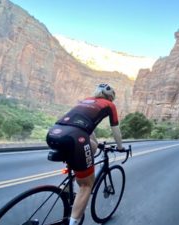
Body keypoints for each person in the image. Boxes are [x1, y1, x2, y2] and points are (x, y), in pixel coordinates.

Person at [46, 83, 124, 225]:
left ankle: (68, 188)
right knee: (87, 185)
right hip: (75, 138)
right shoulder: (109, 105)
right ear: (111, 97)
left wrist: (96, 142)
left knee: (91, 148)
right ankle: (73, 223)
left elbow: (87, 127)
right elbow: (115, 129)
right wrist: (120, 147)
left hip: (54, 134)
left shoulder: (86, 100)